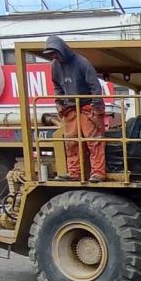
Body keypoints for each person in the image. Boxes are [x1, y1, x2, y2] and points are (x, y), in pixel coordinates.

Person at [44, 35, 107, 182]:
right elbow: (57, 87)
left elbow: (95, 86)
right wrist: (59, 103)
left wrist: (96, 107)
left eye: (55, 53)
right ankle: (74, 173)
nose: (54, 56)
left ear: (62, 50)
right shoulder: (55, 66)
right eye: (51, 54)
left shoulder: (82, 63)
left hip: (87, 106)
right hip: (70, 108)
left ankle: (98, 173)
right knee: (71, 142)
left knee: (94, 141)